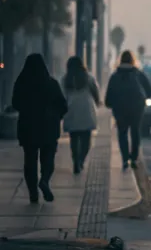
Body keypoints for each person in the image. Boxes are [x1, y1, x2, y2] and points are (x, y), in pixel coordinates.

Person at [12, 54, 68, 203]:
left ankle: (33, 193)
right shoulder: (52, 83)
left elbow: (15, 103)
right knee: (48, 158)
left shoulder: (21, 83)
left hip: (28, 127)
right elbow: (63, 105)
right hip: (49, 127)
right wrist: (57, 116)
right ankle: (44, 180)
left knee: (30, 160)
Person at [104, 50, 151, 170]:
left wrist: (111, 104)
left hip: (120, 109)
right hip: (137, 108)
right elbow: (150, 92)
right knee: (135, 132)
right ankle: (134, 158)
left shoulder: (115, 76)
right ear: (133, 60)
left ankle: (125, 159)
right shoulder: (139, 74)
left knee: (122, 133)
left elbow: (108, 98)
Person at [62, 56, 100, 174]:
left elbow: (62, 95)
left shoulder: (65, 79)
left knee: (73, 139)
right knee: (86, 140)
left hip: (71, 110)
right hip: (86, 110)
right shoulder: (88, 78)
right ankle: (81, 160)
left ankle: (75, 161)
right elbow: (95, 92)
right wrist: (97, 102)